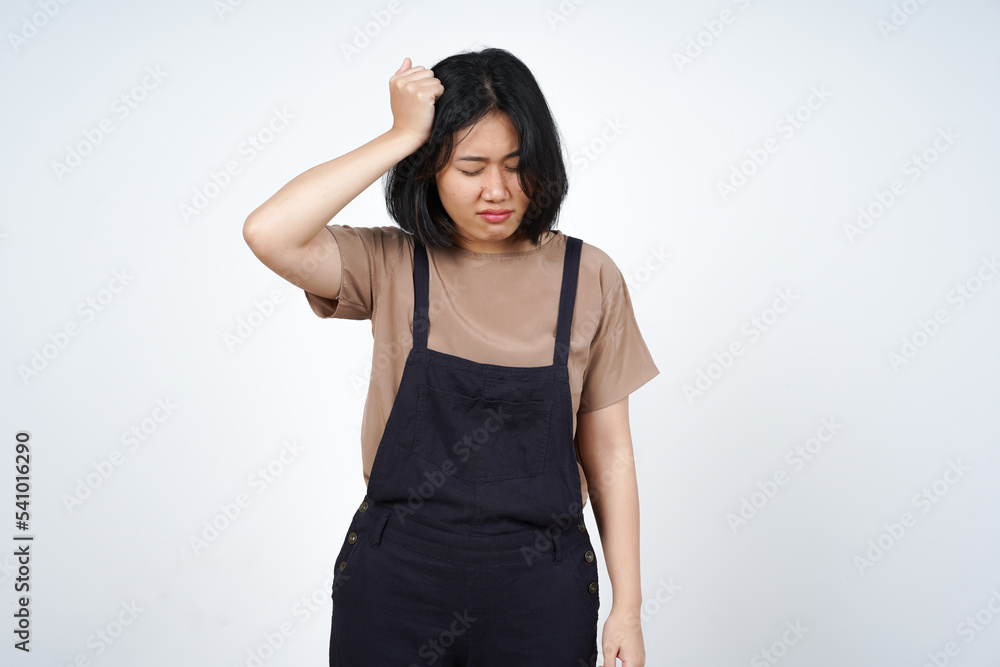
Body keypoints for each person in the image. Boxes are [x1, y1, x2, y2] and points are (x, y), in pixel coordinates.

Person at [243, 47, 658, 667]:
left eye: (517, 165)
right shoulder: (389, 263)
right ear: (429, 170)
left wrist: (628, 606)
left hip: (540, 590)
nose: (498, 190)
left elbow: (611, 454)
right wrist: (401, 135)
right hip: (397, 581)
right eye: (470, 167)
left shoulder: (589, 276)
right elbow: (268, 232)